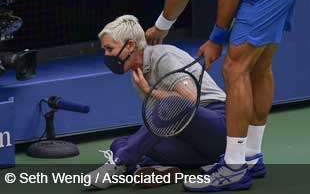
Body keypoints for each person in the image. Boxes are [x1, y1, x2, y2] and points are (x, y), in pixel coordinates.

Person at [99, 0, 300, 191]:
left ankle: (234, 168)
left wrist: (215, 40)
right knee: (259, 68)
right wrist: (162, 26)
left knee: (234, 69)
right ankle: (250, 157)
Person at [89, 15, 248, 189]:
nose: (106, 55)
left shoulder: (164, 56)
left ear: (130, 46)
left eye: (109, 49)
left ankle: (119, 163)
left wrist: (150, 92)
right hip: (193, 145)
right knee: (120, 143)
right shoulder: (137, 73)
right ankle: (161, 170)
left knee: (170, 105)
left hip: (218, 128)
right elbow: (159, 125)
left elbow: (189, 100)